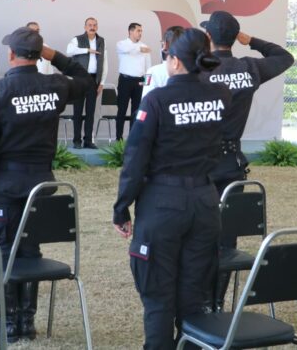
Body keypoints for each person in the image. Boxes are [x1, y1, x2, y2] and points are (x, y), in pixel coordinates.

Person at [0, 27, 95, 342]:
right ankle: (26, 322)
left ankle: (6, 323)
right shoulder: (54, 85)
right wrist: (54, 56)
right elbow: (86, 79)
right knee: (30, 251)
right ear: (40, 55)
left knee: (3, 251)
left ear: (11, 54)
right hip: (42, 183)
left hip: (5, 185)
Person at [113, 28, 231, 350]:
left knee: (157, 297)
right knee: (194, 297)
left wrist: (121, 207)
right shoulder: (221, 95)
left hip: (163, 204)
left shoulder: (157, 100)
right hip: (205, 203)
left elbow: (135, 158)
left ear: (175, 61)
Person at [198, 10, 295, 309]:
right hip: (231, 164)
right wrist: (251, 40)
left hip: (201, 164)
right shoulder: (249, 68)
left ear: (209, 37)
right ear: (234, 37)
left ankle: (199, 302)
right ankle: (216, 303)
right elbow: (284, 57)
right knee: (227, 238)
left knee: (197, 235)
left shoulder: (199, 69)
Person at [66, 17, 108, 149]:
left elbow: (104, 62)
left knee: (91, 112)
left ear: (97, 27)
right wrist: (87, 50)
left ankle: (88, 140)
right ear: (85, 27)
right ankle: (76, 140)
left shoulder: (101, 41)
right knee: (77, 111)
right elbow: (69, 51)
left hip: (93, 80)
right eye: (89, 25)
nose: (92, 27)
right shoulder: (77, 39)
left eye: (94, 25)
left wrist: (102, 82)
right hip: (79, 79)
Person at [115, 22, 151, 140]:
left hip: (139, 81)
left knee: (136, 111)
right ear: (130, 31)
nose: (140, 33)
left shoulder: (144, 46)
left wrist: (147, 84)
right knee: (121, 110)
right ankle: (119, 139)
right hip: (125, 80)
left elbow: (148, 67)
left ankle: (133, 138)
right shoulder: (121, 44)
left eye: (141, 31)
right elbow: (127, 49)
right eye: (138, 31)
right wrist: (140, 49)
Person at [141, 25, 184, 99]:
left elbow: (145, 98)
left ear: (165, 45)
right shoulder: (192, 70)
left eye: (162, 42)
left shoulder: (150, 72)